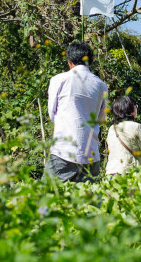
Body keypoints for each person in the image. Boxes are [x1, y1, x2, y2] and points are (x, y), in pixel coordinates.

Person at [46, 41, 108, 182]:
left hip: (63, 150)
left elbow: (52, 114)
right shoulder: (101, 85)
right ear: (90, 63)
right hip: (91, 153)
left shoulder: (59, 80)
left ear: (70, 62)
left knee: (47, 198)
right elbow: (101, 118)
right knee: (89, 202)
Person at [105, 96, 141, 176]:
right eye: (136, 106)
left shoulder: (112, 128)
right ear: (129, 109)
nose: (137, 108)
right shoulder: (136, 126)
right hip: (129, 172)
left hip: (111, 172)